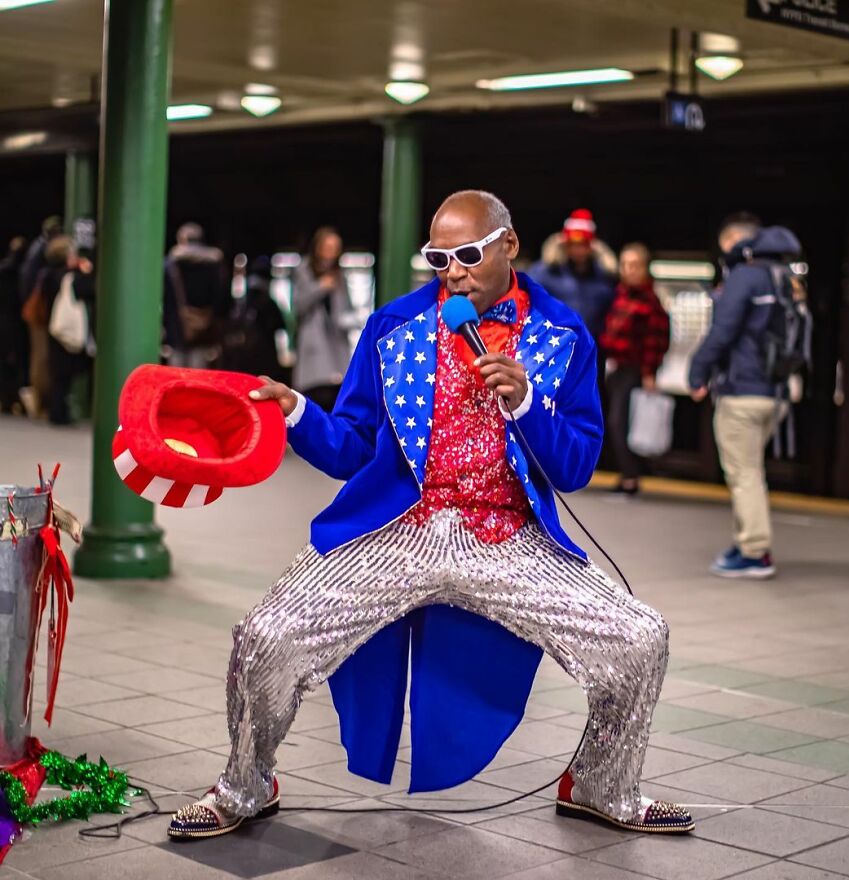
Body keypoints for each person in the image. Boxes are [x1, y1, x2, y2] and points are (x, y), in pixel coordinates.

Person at [167, 190, 693, 842]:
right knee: (265, 636)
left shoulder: (564, 336)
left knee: (639, 639)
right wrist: (297, 412)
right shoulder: (394, 326)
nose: (454, 272)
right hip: (401, 528)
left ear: (509, 245)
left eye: (468, 255)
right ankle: (245, 784)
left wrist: (528, 403)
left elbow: (579, 465)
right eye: (439, 257)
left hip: (505, 535)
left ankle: (600, 783)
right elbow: (354, 446)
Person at [689, 214, 801, 579]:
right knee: (751, 469)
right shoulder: (786, 278)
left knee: (745, 472)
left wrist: (697, 373)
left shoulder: (745, 278)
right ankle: (745, 542)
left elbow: (722, 333)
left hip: (743, 393)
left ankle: (754, 551)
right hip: (777, 394)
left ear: (739, 241)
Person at [600, 243, 670, 495]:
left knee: (622, 423)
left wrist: (649, 372)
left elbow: (656, 340)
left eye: (635, 265)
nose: (629, 270)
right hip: (614, 368)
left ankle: (631, 477)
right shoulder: (619, 294)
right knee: (615, 421)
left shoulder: (649, 301)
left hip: (633, 370)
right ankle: (626, 474)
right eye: (625, 265)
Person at [528, 209, 617, 341]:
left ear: (592, 246)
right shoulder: (546, 273)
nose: (578, 250)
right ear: (565, 245)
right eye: (572, 245)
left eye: (583, 245)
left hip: (592, 350)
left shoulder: (605, 277)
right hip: (555, 347)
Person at [291, 226, 352, 412]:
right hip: (314, 350)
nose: (331, 252)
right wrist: (320, 287)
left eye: (335, 248)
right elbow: (298, 306)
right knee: (312, 400)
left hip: (337, 351)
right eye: (328, 247)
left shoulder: (339, 275)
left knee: (334, 402)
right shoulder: (303, 270)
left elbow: (346, 308)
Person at [163, 222, 230, 369]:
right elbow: (222, 297)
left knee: (176, 375)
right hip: (204, 327)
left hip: (177, 327)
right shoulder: (215, 263)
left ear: (182, 239)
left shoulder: (171, 264)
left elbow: (165, 298)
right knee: (198, 375)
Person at [21, 235, 73, 419]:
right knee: (49, 367)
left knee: (45, 363)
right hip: (55, 326)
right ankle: (48, 405)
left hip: (46, 324)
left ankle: (43, 404)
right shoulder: (63, 275)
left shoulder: (44, 273)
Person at [219, 256, 288, 383]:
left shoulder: (242, 302)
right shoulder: (264, 303)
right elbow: (280, 325)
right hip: (261, 361)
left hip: (249, 362)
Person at [47, 247, 95, 426]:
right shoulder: (70, 277)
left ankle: (58, 411)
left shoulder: (50, 274)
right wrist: (86, 273)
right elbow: (86, 291)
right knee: (64, 377)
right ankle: (60, 413)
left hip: (57, 331)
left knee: (59, 377)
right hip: (66, 334)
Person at [0, 236, 27, 414]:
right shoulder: (17, 272)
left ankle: (6, 399)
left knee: (5, 362)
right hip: (12, 323)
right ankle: (10, 398)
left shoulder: (4, 269)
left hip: (5, 322)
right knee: (12, 361)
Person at [18, 215, 62, 306]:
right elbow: (30, 273)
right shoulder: (42, 246)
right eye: (56, 230)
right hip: (34, 289)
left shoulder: (40, 243)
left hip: (32, 288)